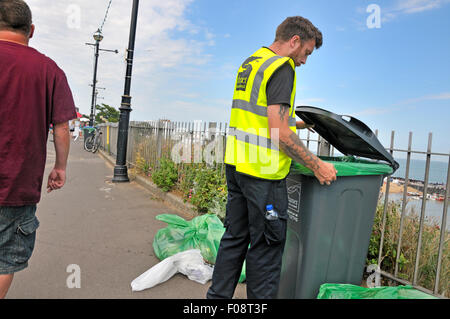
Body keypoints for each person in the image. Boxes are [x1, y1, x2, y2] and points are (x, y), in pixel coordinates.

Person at [206, 16, 337, 299]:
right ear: (294, 42)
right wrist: (317, 165)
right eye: (307, 53)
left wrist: (299, 122)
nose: (304, 61)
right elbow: (278, 134)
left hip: (237, 166)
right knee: (266, 248)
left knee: (234, 239)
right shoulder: (283, 67)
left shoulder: (252, 62)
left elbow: (259, 114)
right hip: (263, 176)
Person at [0, 0, 77, 298]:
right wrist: (60, 167)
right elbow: (61, 126)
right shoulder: (49, 70)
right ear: (31, 30)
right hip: (16, 186)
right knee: (5, 260)